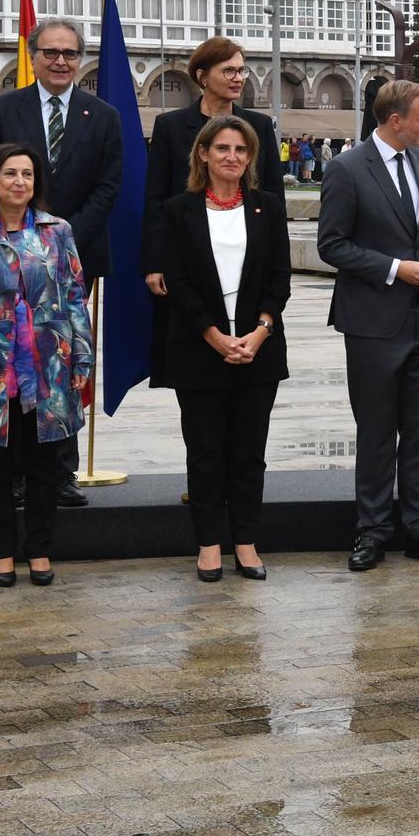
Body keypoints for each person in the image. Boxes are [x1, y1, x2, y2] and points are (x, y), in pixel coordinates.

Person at [0, 17, 121, 507]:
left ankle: (59, 473)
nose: (61, 62)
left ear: (81, 59)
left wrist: (61, 239)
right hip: (5, 260)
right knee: (14, 363)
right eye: (51, 52)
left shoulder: (102, 115)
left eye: (71, 54)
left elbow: (108, 186)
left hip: (73, 261)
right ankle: (15, 474)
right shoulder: (2, 109)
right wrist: (28, 238)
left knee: (62, 364)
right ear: (33, 56)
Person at [317, 79, 419, 571]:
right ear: (395, 120)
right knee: (377, 432)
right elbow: (331, 245)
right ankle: (373, 530)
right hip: (373, 324)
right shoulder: (346, 168)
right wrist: (394, 268)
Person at [0, 144, 93, 588]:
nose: (19, 183)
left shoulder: (57, 232)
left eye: (27, 175)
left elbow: (74, 297)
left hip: (49, 368)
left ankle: (41, 551)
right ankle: (2, 554)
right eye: (10, 174)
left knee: (47, 464)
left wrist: (82, 355)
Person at [153, 116, 290, 582]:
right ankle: (209, 545)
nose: (232, 156)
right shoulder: (178, 210)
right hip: (198, 350)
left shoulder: (267, 207)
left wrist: (259, 332)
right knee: (206, 451)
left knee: (249, 453)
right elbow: (181, 285)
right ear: (204, 154)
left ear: (250, 158)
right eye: (222, 148)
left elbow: (279, 278)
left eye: (241, 149)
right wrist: (214, 335)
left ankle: (246, 544)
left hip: (259, 349)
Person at [143, 37, 285, 387]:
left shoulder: (260, 127)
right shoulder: (171, 127)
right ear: (203, 76)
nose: (238, 78)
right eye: (229, 70)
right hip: (189, 264)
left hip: (246, 262)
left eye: (242, 70)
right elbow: (156, 197)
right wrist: (154, 262)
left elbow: (272, 196)